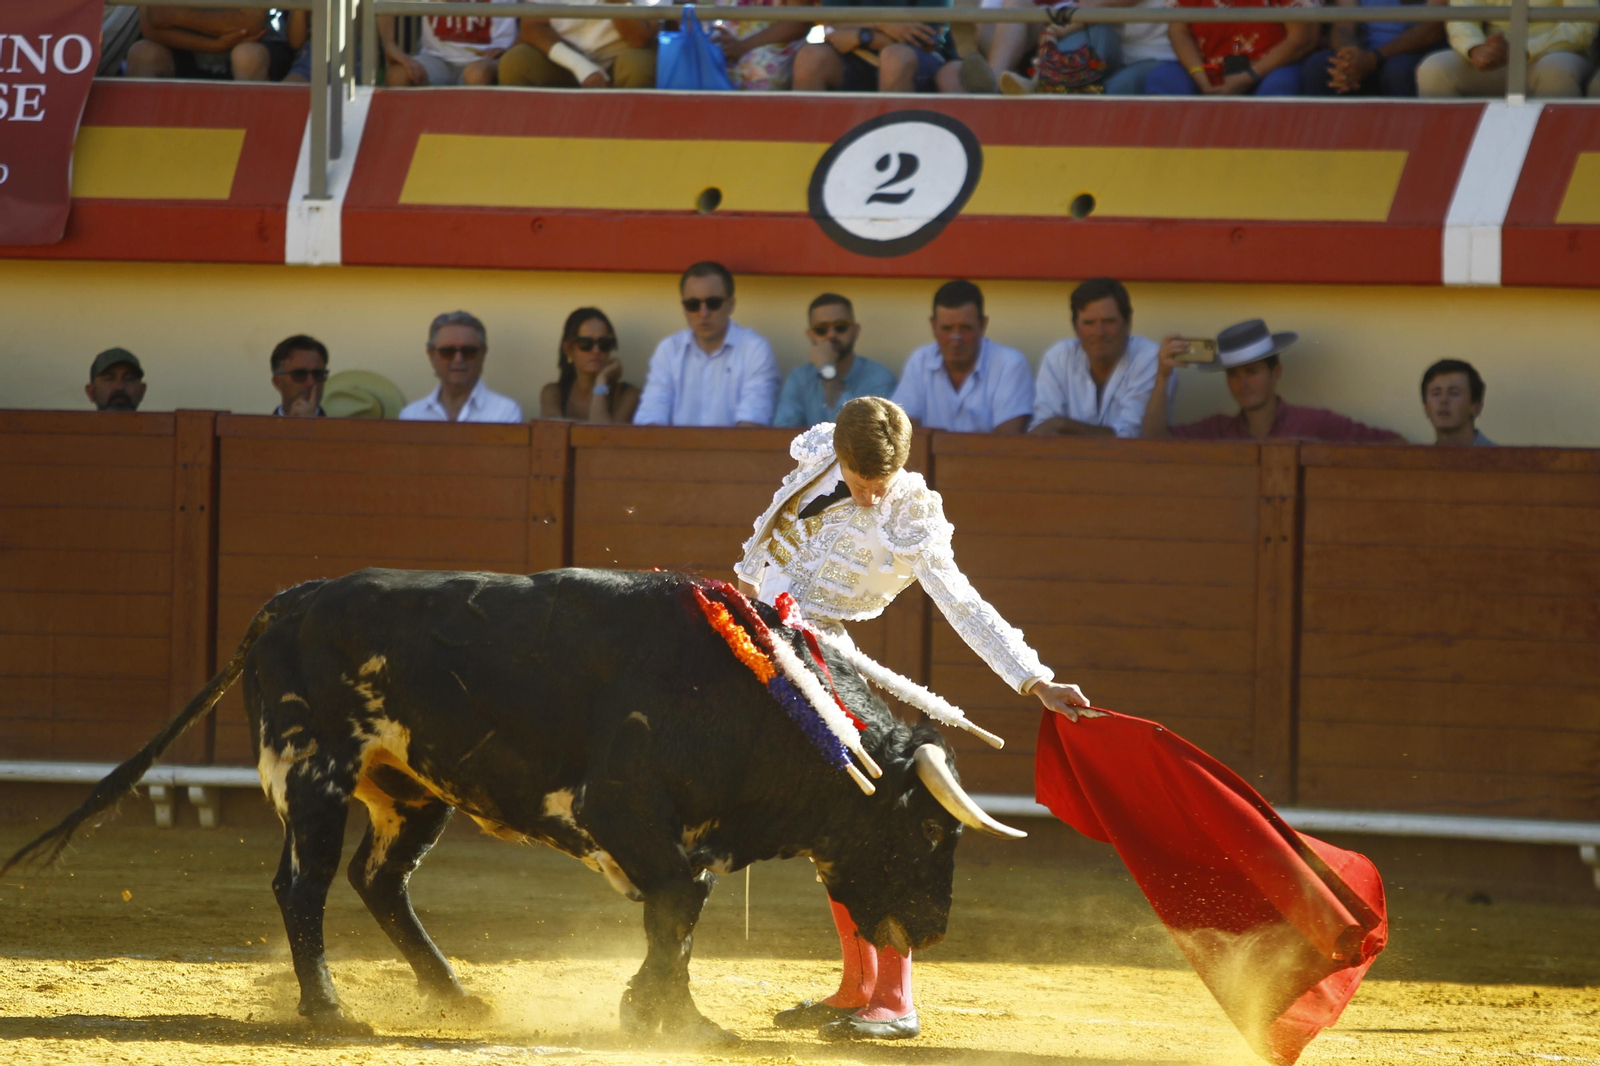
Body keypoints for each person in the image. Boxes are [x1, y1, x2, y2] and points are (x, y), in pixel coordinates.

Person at [734, 397, 1092, 1041]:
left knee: (869, 820)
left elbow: (961, 599)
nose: (872, 498)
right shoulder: (820, 454)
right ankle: (856, 986)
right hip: (772, 643)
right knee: (824, 822)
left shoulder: (910, 512)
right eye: (861, 482)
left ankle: (895, 999)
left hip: (824, 660)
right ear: (839, 456)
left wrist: (1032, 676)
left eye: (882, 483)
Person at [1141, 319, 1403, 442]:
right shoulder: (1217, 430)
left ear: (1275, 372)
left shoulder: (1315, 423)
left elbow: (1394, 444)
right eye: (1233, 374)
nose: (1242, 383)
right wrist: (1163, 375)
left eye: (1252, 372)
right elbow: (1154, 439)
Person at [1030, 278, 1184, 438]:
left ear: (1128, 323)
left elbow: (1133, 436)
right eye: (1089, 323)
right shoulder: (1058, 357)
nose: (1099, 333)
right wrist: (1056, 426)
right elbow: (1043, 431)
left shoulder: (1150, 358)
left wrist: (1062, 425)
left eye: (1109, 322)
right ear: (1075, 328)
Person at [634, 262, 781, 427]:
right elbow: (651, 416)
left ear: (731, 304)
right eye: (693, 305)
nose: (703, 313)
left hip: (734, 452)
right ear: (684, 308)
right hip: (675, 451)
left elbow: (753, 421)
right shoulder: (669, 349)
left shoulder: (754, 350)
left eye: (713, 303)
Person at [891, 280, 1033, 435]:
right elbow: (902, 432)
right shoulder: (920, 361)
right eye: (947, 328)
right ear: (933, 326)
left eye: (965, 328)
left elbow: (1007, 442)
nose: (956, 339)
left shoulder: (1009, 364)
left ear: (983, 325)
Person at [967, 0, 1177, 95]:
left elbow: (1107, 4)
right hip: (1119, 57)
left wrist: (1057, 29)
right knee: (1013, 7)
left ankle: (1041, 82)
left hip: (1157, 59)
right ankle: (994, 83)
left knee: (1112, 92)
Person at [1416, 0, 1596, 97]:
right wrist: (1475, 48)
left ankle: (1556, 155)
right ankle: (1447, 157)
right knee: (1434, 70)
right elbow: (1461, 17)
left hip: (1554, 53)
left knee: (1555, 70)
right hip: (1498, 56)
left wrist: (1523, 50)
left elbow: (1581, 26)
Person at [774, 294, 898, 429]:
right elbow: (783, 432)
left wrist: (828, 371)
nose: (831, 334)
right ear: (811, 336)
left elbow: (866, 436)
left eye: (840, 327)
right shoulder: (798, 377)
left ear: (855, 331)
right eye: (821, 329)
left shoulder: (879, 378)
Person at [1144, 0, 1317, 96]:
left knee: (1279, 87)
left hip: (1269, 67)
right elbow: (1178, 31)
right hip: (1207, 68)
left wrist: (1249, 76)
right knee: (1164, 78)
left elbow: (1301, 39)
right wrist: (1200, 75)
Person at [791, 0, 963, 93]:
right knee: (810, 58)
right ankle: (804, 152)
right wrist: (881, 23)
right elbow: (832, 23)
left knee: (895, 58)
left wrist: (863, 36)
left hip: (921, 64)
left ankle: (896, 146)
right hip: (856, 59)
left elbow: (927, 39)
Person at [498, 0, 658, 88]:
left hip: (618, 63)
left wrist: (616, 2)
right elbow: (531, 25)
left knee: (639, 66)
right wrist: (580, 67)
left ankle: (630, 139)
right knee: (516, 62)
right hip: (562, 61)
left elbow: (639, 39)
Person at [399, 311, 525, 423]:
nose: (458, 359)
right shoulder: (411, 415)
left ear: (483, 354)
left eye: (468, 351)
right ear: (431, 355)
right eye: (447, 351)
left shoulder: (506, 413)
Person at [1300, 0, 1445, 96]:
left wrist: (1373, 58)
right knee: (1319, 66)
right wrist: (1348, 57)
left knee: (1398, 71)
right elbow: (1343, 25)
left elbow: (1431, 30)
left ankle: (1406, 137)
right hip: (1364, 54)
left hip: (1414, 52)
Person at [125, 6, 293, 81]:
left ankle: (255, 143)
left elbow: (252, 24)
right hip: (188, 50)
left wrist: (177, 16)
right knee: (142, 54)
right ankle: (139, 146)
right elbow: (150, 26)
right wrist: (216, 45)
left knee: (247, 57)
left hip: (253, 45)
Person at [539, 308, 642, 423]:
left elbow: (604, 436)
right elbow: (554, 428)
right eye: (585, 343)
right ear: (568, 349)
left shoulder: (628, 396)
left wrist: (601, 381)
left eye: (604, 344)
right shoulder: (553, 392)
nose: (596, 350)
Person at [379, 0, 515, 87]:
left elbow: (532, 16)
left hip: (488, 59)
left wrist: (512, 50)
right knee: (398, 76)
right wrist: (389, 45)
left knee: (477, 74)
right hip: (435, 58)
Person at [710, 0, 816, 90]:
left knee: (756, 76)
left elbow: (798, 22)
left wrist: (742, 46)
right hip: (721, 47)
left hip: (769, 54)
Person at [1421, 358, 1493, 445]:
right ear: (1426, 408)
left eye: (1454, 393)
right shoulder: (1420, 458)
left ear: (1475, 406)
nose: (1443, 400)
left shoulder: (1502, 457)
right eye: (1436, 393)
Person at [270, 334, 329, 417]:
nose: (310, 383)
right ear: (277, 382)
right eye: (299, 374)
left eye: (317, 374)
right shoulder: (257, 429)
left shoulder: (342, 429)